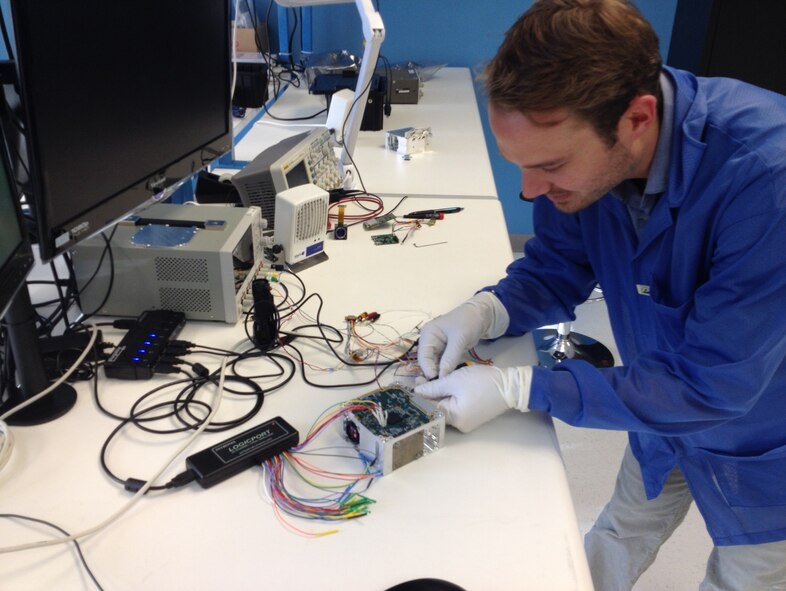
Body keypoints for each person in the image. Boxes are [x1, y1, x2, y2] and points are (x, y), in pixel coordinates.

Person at [412, 0, 786, 589]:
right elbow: (558, 268)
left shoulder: (766, 176)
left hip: (765, 440)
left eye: (551, 165)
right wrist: (488, 310)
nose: (531, 191)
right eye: (521, 166)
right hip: (658, 406)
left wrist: (522, 386)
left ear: (636, 119)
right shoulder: (589, 170)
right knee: (620, 530)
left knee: (746, 578)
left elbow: (712, 384)